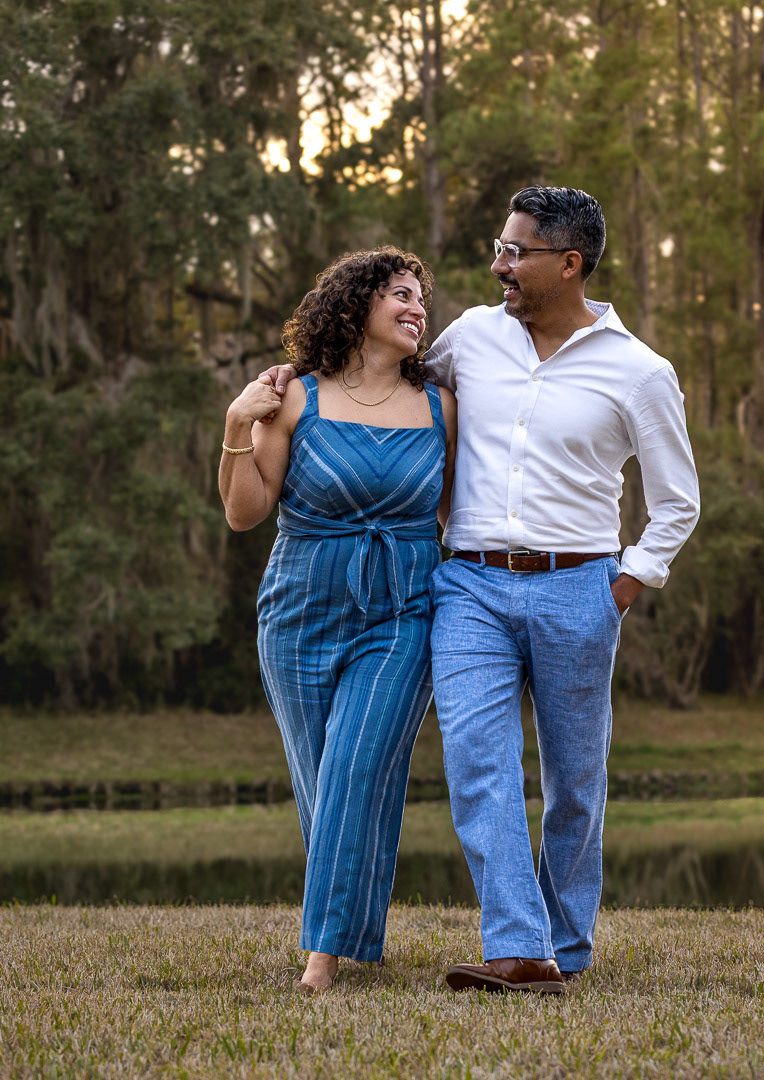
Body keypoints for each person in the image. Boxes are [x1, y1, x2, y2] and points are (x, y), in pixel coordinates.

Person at [261, 186, 700, 996]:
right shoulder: (470, 338)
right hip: (466, 586)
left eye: (515, 252)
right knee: (476, 761)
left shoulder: (639, 371)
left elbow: (677, 501)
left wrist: (626, 584)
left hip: (581, 586)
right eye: (499, 248)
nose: (498, 265)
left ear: (567, 264)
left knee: (576, 780)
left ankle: (565, 943)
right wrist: (298, 380)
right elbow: (383, 387)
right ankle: (518, 949)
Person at [220, 246, 456, 994]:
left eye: (421, 298)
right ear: (356, 306)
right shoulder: (297, 398)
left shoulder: (443, 406)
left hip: (403, 611)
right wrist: (236, 426)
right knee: (326, 781)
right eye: (401, 294)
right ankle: (354, 932)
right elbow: (244, 511)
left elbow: (462, 514)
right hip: (299, 610)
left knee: (357, 767)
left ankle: (323, 960)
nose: (418, 308)